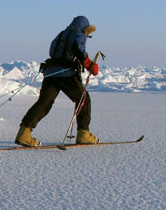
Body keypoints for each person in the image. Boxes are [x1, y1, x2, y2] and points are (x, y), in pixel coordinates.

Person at [15, 15, 103, 146]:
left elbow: (53, 52)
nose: (87, 36)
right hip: (67, 74)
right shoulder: (78, 34)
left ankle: (24, 133)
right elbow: (79, 50)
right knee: (83, 99)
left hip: (50, 74)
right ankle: (83, 134)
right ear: (84, 28)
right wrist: (90, 65)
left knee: (44, 103)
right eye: (88, 33)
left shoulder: (60, 35)